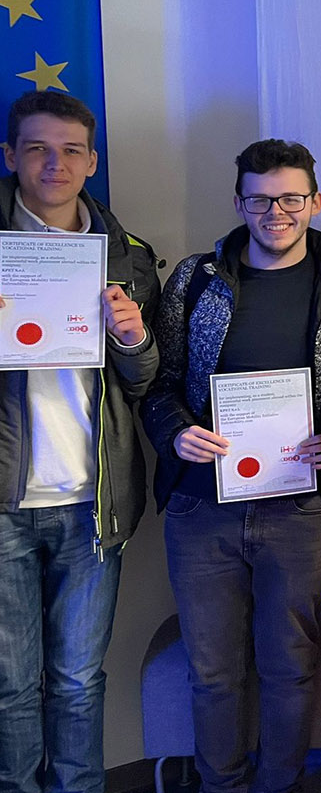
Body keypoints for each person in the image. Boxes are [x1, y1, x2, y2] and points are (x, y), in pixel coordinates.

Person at [141, 140, 321, 793]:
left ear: (315, 202)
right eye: (260, 200)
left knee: (291, 666)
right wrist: (176, 433)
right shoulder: (196, 279)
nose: (276, 213)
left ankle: (278, 785)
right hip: (201, 508)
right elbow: (158, 383)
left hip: (299, 508)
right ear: (238, 203)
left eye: (291, 198)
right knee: (212, 672)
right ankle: (222, 786)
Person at [0, 91, 160, 793]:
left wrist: (133, 338)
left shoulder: (128, 257)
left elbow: (143, 380)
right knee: (9, 686)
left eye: (70, 151)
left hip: (93, 503)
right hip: (5, 505)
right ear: (10, 156)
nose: (53, 165)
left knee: (76, 681)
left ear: (92, 162)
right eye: (37, 148)